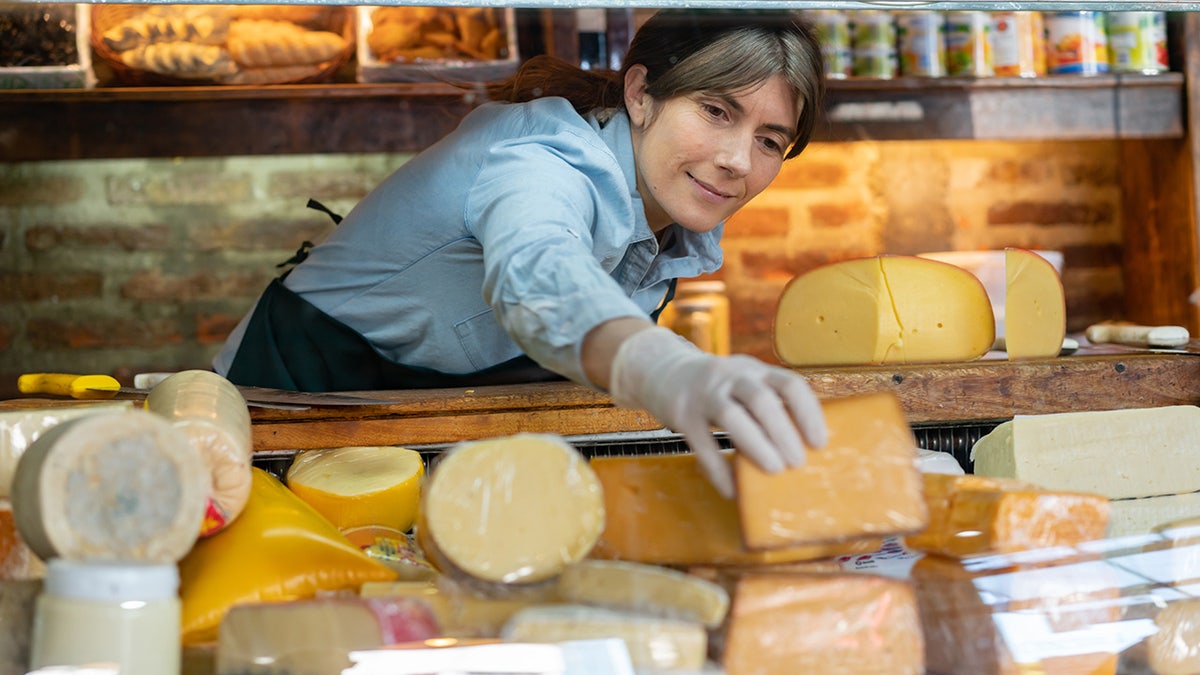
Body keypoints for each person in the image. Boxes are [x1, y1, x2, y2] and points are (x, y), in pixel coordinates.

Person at [214, 9, 829, 497]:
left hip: (429, 455)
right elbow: (541, 282)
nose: (737, 161)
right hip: (283, 427)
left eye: (770, 141)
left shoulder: (668, 217)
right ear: (641, 94)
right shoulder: (540, 162)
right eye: (717, 111)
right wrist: (669, 368)